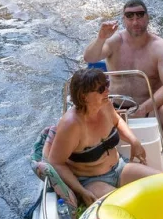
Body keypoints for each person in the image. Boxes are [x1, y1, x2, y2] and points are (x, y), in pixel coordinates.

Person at [83, 1, 163, 171]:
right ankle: (100, 169)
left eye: (140, 15)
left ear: (147, 18)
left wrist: (144, 108)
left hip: (150, 106)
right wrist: (101, 38)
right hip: (115, 107)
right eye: (130, 16)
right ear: (124, 20)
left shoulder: (160, 46)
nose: (135, 21)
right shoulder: (114, 41)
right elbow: (90, 58)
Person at [44, 67, 154, 206]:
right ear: (84, 96)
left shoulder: (106, 104)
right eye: (101, 89)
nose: (107, 91)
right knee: (129, 205)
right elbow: (56, 162)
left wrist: (134, 141)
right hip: (91, 181)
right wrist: (81, 191)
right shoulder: (71, 125)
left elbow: (117, 121)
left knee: (161, 182)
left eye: (106, 85)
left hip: (119, 167)